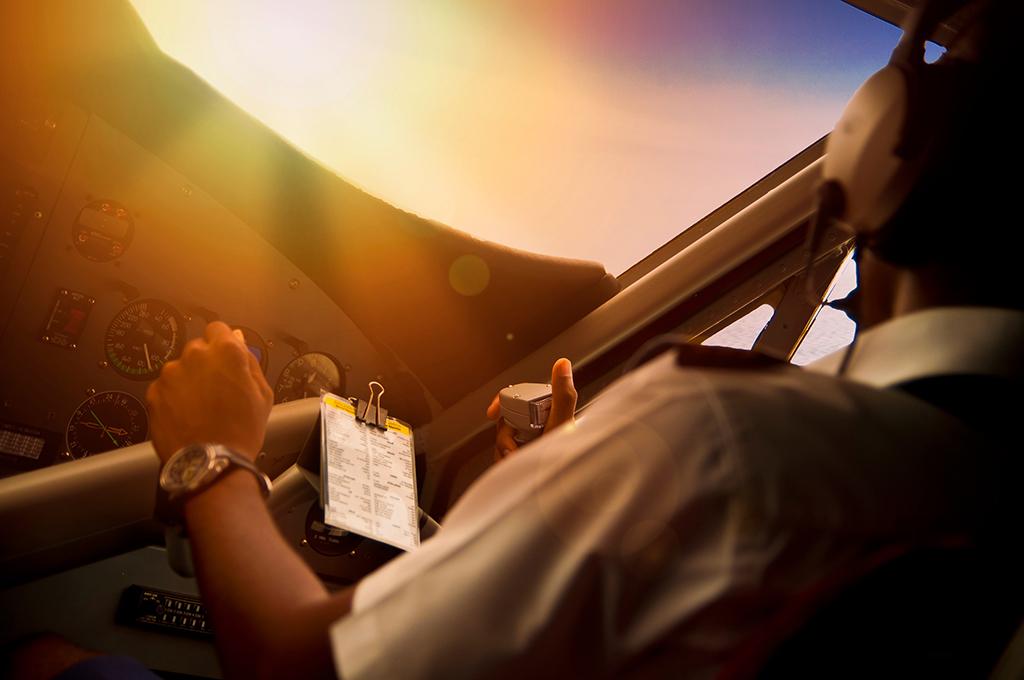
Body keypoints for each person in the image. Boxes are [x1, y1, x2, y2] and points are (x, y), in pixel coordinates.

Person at [11, 0, 1022, 677]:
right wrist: (557, 488)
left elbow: (298, 663)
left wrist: (214, 456)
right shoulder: (975, 483)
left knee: (39, 653)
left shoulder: (722, 440)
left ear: (896, 144)